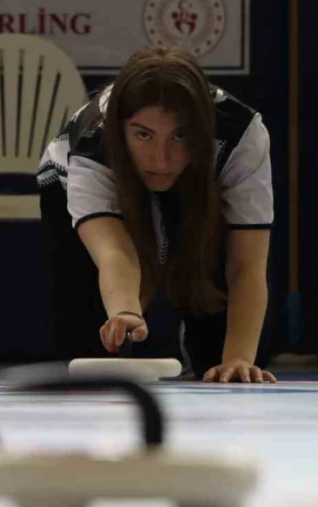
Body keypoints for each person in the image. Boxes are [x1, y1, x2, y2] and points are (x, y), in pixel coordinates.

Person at [37, 45, 276, 384]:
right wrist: (125, 311)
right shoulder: (93, 141)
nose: (160, 159)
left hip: (200, 185)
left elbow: (246, 265)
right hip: (80, 184)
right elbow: (114, 253)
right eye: (143, 134)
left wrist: (238, 357)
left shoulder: (241, 135)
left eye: (180, 135)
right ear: (120, 130)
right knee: (91, 354)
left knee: (228, 366)